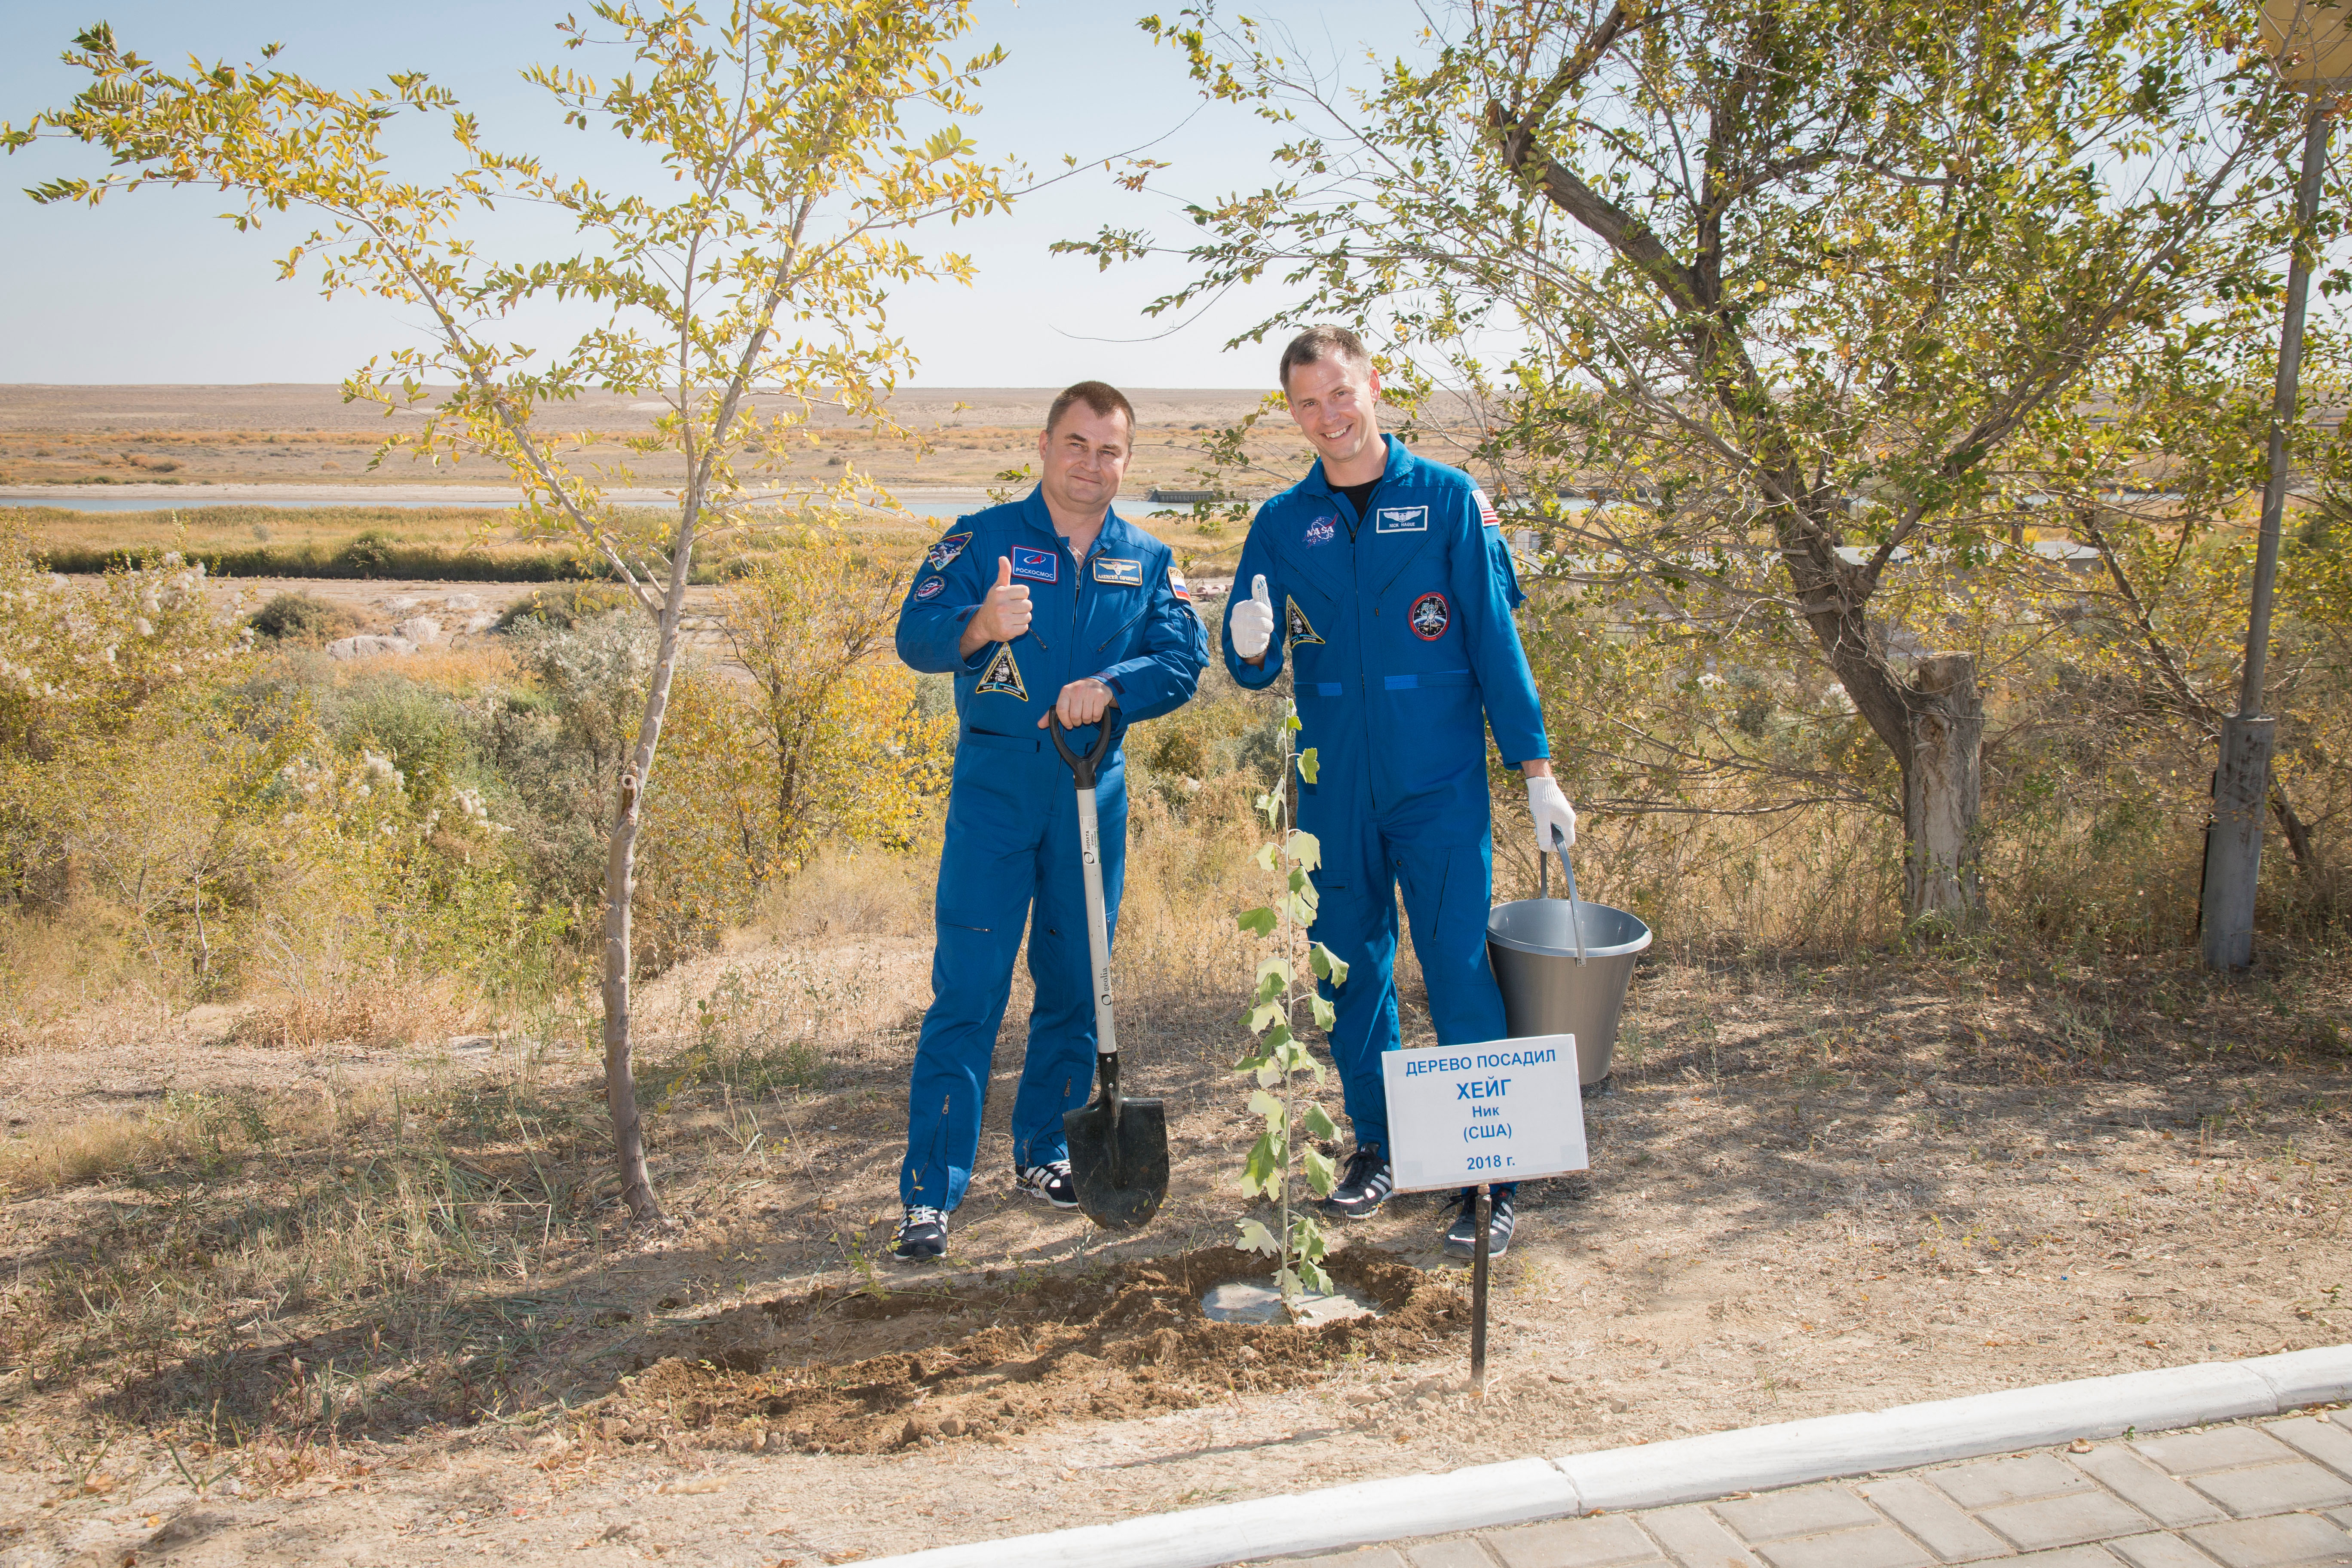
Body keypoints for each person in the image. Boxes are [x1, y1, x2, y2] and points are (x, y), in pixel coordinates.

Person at [1223, 326, 1576, 1260]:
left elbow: (1497, 644)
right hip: (1334, 789)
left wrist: (1535, 769)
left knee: (1458, 968)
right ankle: (1381, 1145)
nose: (1328, 417)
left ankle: (1487, 1175)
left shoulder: (1451, 500)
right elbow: (1251, 667)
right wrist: (1252, 642)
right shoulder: (1281, 522)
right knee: (1349, 974)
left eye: (1340, 394)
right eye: (1307, 403)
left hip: (1438, 784)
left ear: (1372, 387)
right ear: (1292, 413)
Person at [889, 381, 1209, 1263]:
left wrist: (1115, 686)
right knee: (970, 991)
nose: (1091, 465)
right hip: (996, 798)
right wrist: (977, 624)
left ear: (1127, 462)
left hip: (1091, 793)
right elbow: (914, 636)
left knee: (1075, 985)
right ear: (1044, 445)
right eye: (1077, 444)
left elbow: (1187, 660)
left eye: (1110, 451)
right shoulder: (985, 538)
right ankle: (930, 1195)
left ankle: (1046, 1155)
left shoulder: (1146, 558)